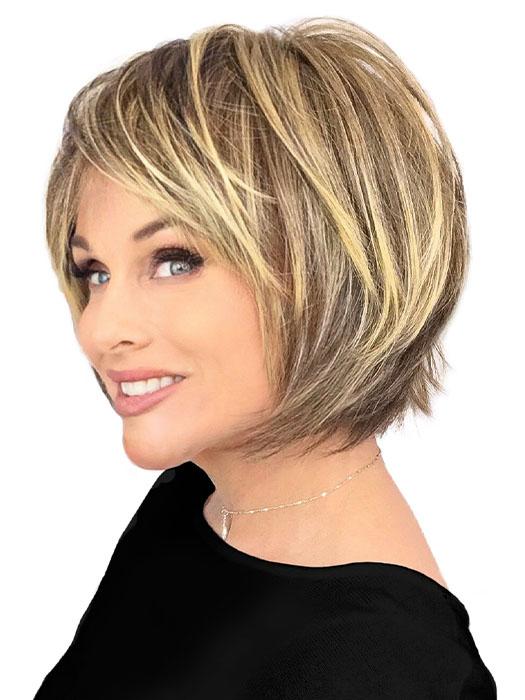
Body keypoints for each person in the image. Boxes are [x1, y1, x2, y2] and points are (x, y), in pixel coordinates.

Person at [34, 16, 497, 699]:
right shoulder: (197, 502)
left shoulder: (379, 669)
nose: (99, 329)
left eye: (174, 261)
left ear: (333, 267)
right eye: (94, 272)